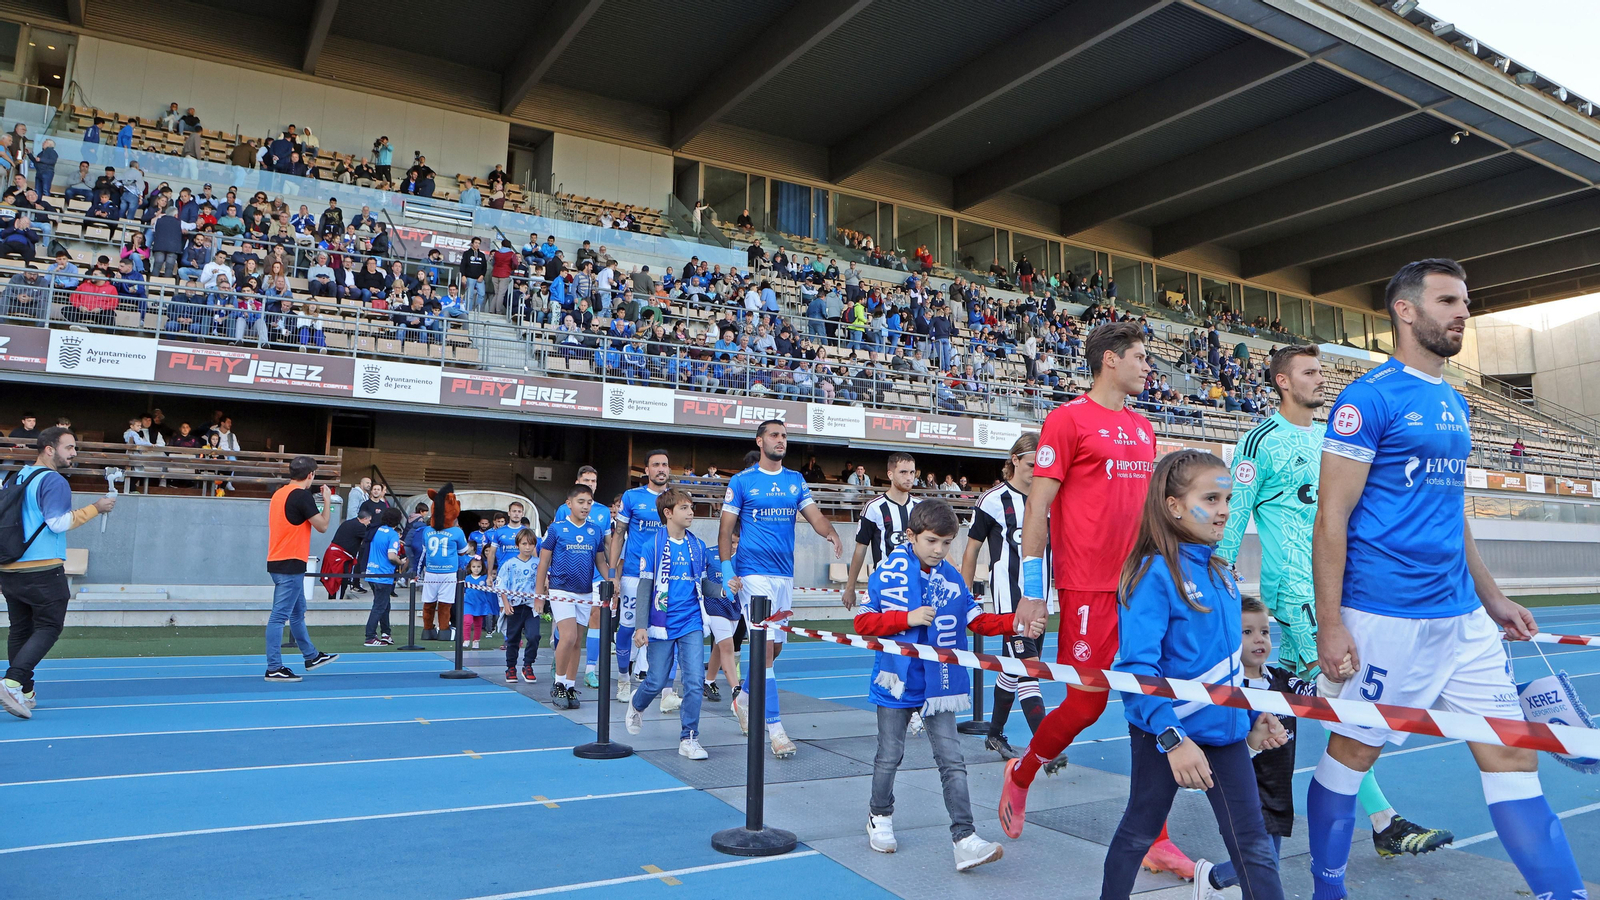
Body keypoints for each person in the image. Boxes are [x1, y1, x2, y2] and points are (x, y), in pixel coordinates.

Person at [1310, 259, 1583, 900]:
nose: (1463, 312)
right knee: (1353, 755)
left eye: (1465, 301)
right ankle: (1327, 890)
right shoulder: (1368, 399)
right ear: (1405, 311)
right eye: (1447, 301)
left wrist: (1491, 597)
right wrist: (1331, 624)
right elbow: (1332, 517)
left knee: (1514, 754)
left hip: (1463, 620)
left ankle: (1561, 892)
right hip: (1384, 616)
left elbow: (1450, 510)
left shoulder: (1453, 401)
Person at [1219, 344, 1453, 860]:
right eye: (1309, 372)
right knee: (1339, 698)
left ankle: (1260, 799)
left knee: (1309, 697)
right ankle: (1381, 820)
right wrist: (1220, 572)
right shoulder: (1261, 440)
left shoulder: (1332, 437)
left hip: (1345, 585)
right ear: (1282, 382)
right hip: (1298, 590)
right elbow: (1235, 512)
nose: (1320, 380)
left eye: (1321, 371)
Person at [999, 321, 1195, 879]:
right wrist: (1033, 593)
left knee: (1151, 701)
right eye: (1139, 358)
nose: (1148, 367)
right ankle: (1024, 770)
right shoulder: (1067, 420)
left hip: (1144, 585)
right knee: (1085, 704)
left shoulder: (1143, 426)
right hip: (1088, 587)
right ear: (1110, 360)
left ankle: (1156, 836)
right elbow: (1037, 509)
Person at [1100, 449, 1288, 900]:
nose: (1224, 510)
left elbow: (1227, 663)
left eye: (1227, 499)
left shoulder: (1222, 574)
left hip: (1224, 736)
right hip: (1166, 734)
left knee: (1254, 847)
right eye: (1211, 499)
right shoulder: (1152, 573)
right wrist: (1172, 739)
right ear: (1174, 506)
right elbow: (1136, 672)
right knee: (1138, 833)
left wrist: (1250, 716)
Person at [854, 499, 1023, 871]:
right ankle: (879, 816)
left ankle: (965, 838)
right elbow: (863, 624)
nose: (939, 550)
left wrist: (1017, 623)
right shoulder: (889, 572)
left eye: (947, 543)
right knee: (889, 755)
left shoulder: (952, 578)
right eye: (932, 541)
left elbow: (976, 622)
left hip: (940, 687)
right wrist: (905, 617)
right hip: (896, 683)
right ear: (911, 536)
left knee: (952, 760)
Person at [720, 420, 844, 758]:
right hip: (752, 574)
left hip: (783, 574)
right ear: (760, 441)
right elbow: (725, 528)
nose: (781, 440)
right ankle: (775, 729)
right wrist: (727, 569)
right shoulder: (742, 481)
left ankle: (742, 699)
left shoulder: (795, 480)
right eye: (775, 435)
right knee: (765, 648)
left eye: (785, 436)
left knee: (773, 651)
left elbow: (814, 515)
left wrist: (830, 533)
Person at [1199, 597, 1318, 893]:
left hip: (1278, 785)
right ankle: (1213, 878)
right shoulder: (1230, 689)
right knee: (1262, 863)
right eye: (1246, 632)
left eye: (1264, 631)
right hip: (1245, 786)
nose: (1258, 639)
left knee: (1266, 864)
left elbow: (1317, 694)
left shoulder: (1284, 680)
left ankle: (1212, 878)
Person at [0, 427, 117, 718]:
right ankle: (12, 683)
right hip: (42, 568)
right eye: (69, 447)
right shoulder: (54, 480)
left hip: (9, 566)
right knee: (49, 627)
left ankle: (25, 691)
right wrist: (96, 508)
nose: (74, 453)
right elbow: (58, 523)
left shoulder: (17, 476)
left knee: (21, 629)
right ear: (49, 449)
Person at [962, 433, 1050, 760]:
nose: (1036, 470)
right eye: (1031, 464)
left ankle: (994, 734)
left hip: (1042, 600)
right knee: (1030, 669)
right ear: (1014, 460)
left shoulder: (1048, 499)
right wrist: (964, 595)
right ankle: (1046, 747)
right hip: (1009, 605)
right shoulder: (992, 501)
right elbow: (971, 549)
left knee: (1013, 669)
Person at [624, 488, 716, 762]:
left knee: (695, 681)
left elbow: (704, 584)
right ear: (668, 513)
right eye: (685, 508)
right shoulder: (652, 546)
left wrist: (724, 591)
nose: (691, 513)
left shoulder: (697, 546)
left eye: (691, 507)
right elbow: (645, 588)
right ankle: (637, 703)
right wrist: (641, 626)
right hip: (661, 623)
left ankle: (689, 738)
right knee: (655, 680)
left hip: (692, 621)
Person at [264, 456, 340, 682]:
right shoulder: (301, 496)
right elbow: (323, 526)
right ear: (310, 475)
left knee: (297, 613)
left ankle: (311, 655)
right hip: (290, 563)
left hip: (279, 560)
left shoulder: (280, 493)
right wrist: (327, 500)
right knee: (279, 617)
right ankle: (274, 667)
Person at [537, 483, 610, 708]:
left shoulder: (594, 530)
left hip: (585, 592)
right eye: (581, 502)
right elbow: (543, 562)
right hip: (561, 589)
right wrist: (539, 594)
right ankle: (558, 683)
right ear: (569, 504)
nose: (585, 506)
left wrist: (611, 581)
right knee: (567, 637)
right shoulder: (557, 529)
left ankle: (569, 685)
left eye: (589, 502)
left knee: (577, 641)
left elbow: (600, 560)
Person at [610, 449, 672, 700]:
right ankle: (624, 678)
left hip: (665, 576)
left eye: (665, 465)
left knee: (666, 630)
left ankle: (666, 688)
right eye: (655, 465)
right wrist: (613, 574)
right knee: (626, 629)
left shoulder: (676, 498)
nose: (661, 469)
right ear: (646, 470)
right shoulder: (632, 497)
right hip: (635, 574)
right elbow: (618, 535)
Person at [555, 467, 613, 689]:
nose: (590, 483)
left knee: (595, 618)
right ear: (577, 481)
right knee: (567, 632)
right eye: (586, 480)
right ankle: (560, 665)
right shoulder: (564, 509)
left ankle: (590, 669)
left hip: (595, 575)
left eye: (594, 480)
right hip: (567, 578)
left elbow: (607, 545)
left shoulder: (603, 512)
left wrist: (612, 574)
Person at [841, 452, 920, 611]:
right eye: (903, 472)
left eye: (912, 472)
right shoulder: (874, 508)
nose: (909, 477)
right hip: (885, 585)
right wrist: (850, 588)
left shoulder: (920, 507)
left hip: (916, 584)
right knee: (883, 633)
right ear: (890, 474)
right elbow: (860, 549)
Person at [418, 486, 470, 643]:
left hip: (431, 571)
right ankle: (444, 631)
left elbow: (425, 550)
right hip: (448, 572)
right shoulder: (457, 532)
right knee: (445, 604)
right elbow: (463, 551)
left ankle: (427, 630)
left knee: (428, 603)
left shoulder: (427, 531)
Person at [496, 527, 542, 686]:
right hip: (514, 607)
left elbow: (543, 583)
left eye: (531, 544)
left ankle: (528, 665)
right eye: (524, 544)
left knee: (534, 636)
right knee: (513, 639)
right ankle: (510, 667)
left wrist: (541, 599)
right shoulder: (509, 564)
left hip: (531, 608)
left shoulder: (538, 564)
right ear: (518, 545)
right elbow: (501, 585)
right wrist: (505, 604)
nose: (527, 547)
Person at [361, 508, 404, 647]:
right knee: (380, 606)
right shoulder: (393, 535)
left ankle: (386, 633)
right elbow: (392, 556)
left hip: (372, 572)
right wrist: (400, 562)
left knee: (384, 604)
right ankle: (370, 636)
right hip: (384, 574)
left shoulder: (376, 530)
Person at [461, 557, 494, 650]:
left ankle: (476, 641)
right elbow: (463, 590)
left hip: (480, 605)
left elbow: (490, 589)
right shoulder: (466, 578)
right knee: (467, 621)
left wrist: (490, 583)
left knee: (478, 624)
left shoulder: (485, 578)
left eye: (478, 566)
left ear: (482, 567)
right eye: (474, 566)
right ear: (470, 567)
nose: (476, 569)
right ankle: (466, 640)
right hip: (469, 603)